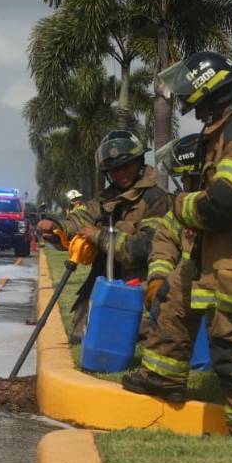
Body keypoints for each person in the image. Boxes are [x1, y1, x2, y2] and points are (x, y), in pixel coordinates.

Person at [126, 52, 232, 442]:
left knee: (231, 351)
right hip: (223, 255)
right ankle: (162, 377)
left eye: (198, 105)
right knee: (173, 293)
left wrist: (182, 205)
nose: (197, 114)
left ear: (213, 98)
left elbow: (224, 202)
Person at [37, 130, 171, 342]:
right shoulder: (106, 198)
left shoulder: (156, 199)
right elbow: (79, 219)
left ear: (139, 162)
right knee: (81, 336)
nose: (121, 173)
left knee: (127, 332)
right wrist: (55, 228)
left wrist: (99, 236)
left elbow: (144, 249)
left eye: (127, 166)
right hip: (104, 279)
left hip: (139, 282)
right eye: (114, 170)